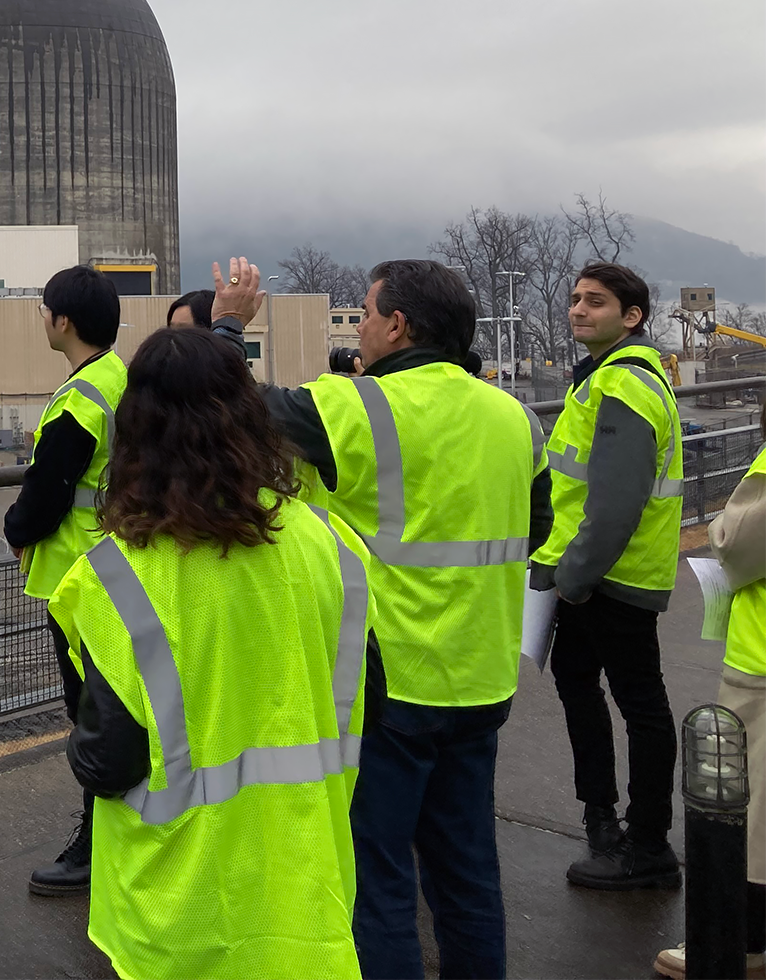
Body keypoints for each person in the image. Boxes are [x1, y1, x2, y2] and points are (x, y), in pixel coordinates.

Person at [213, 256, 551, 979]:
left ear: (397, 325)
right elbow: (541, 525)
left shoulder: (353, 407)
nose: (358, 327)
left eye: (364, 312)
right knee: (467, 874)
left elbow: (227, 408)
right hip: (483, 676)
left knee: (380, 877)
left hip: (386, 683)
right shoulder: (516, 417)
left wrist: (228, 324)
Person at [50, 325, 381, 980]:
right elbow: (376, 702)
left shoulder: (115, 577)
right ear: (252, 418)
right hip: (307, 889)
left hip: (179, 911)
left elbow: (106, 759)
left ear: (135, 430)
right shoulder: (331, 545)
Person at [532, 263, 684, 889]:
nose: (578, 309)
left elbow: (617, 502)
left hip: (608, 581)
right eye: (574, 299)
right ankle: (602, 819)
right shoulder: (600, 380)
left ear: (632, 317)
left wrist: (573, 578)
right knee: (580, 691)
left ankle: (647, 843)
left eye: (596, 302)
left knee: (639, 707)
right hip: (589, 574)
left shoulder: (625, 385)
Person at [1, 265, 128, 896]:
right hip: (114, 570)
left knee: (90, 714)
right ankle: (111, 835)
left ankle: (96, 844)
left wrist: (14, 527)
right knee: (115, 710)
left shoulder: (81, 399)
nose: (41, 319)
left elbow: (47, 494)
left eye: (44, 309)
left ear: (64, 321)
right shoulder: (118, 380)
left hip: (80, 577)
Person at [655, 424, 766, 977]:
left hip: (762, 660)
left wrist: (723, 520)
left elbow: (736, 542)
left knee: (750, 811)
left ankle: (746, 939)